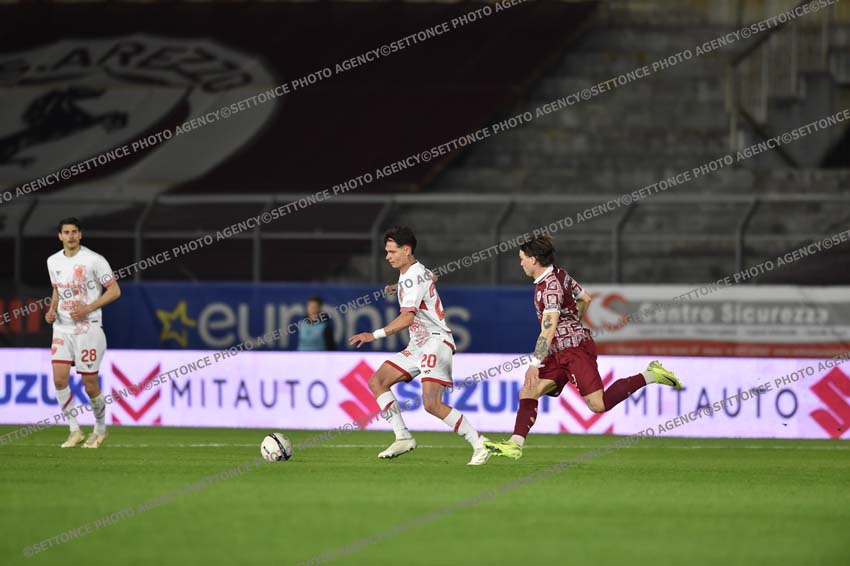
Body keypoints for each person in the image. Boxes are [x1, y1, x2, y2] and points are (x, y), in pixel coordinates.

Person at [485, 235, 681, 460]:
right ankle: (515, 445)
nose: (520, 263)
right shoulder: (560, 274)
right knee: (529, 390)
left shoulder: (549, 289)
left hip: (574, 351)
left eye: (522, 258)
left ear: (534, 259)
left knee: (598, 405)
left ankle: (651, 374)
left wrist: (534, 364)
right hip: (558, 350)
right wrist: (572, 324)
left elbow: (548, 329)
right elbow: (585, 299)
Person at [349, 226, 490, 465]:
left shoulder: (412, 276)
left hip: (436, 341)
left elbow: (407, 318)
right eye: (387, 251)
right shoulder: (412, 273)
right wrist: (400, 287)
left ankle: (480, 443)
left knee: (432, 404)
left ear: (407, 250)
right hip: (418, 344)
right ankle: (402, 437)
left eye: (392, 251)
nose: (387, 256)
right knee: (378, 382)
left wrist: (374, 334)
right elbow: (431, 277)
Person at [45, 218, 121, 448]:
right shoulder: (53, 261)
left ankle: (100, 428)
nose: (70, 236)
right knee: (59, 380)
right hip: (62, 328)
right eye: (66, 232)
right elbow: (57, 290)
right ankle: (74, 430)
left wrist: (88, 308)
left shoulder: (94, 260)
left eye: (74, 232)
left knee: (90, 384)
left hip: (88, 329)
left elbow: (114, 290)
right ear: (60, 236)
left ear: (80, 235)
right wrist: (52, 309)